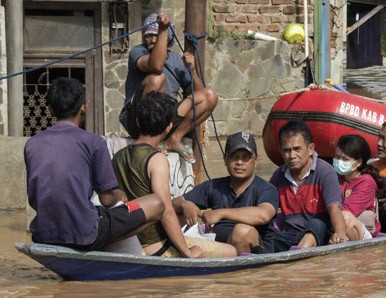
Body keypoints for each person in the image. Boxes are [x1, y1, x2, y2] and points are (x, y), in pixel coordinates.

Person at [25, 77, 163, 251]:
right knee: (157, 204)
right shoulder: (93, 142)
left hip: (43, 235)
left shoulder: (32, 144)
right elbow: (106, 200)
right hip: (85, 234)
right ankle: (101, 244)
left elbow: (34, 200)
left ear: (50, 109)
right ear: (84, 106)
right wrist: (119, 195)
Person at [113, 91, 235, 258]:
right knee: (232, 251)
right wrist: (187, 252)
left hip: (130, 240)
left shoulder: (119, 155)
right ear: (168, 127)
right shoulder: (156, 159)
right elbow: (165, 211)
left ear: (137, 121)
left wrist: (183, 205)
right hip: (155, 245)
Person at [119, 12, 218, 163]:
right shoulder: (138, 52)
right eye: (149, 35)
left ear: (168, 38)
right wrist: (163, 29)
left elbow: (197, 92)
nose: (152, 39)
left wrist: (192, 70)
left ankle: (174, 138)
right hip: (138, 119)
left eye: (156, 35)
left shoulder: (176, 60)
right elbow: (156, 66)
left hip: (166, 118)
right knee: (157, 79)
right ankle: (147, 139)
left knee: (210, 95)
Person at [177, 132, 279, 255]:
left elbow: (263, 215)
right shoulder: (213, 186)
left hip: (258, 251)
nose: (239, 162)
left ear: (255, 160)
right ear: (225, 159)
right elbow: (170, 205)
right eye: (234, 156)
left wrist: (221, 213)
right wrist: (185, 204)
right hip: (221, 248)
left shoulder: (267, 189)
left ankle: (242, 273)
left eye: (246, 157)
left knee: (242, 231)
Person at [269, 120, 348, 251]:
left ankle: (297, 256)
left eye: (297, 149)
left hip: (321, 235)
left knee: (316, 224)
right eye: (287, 150)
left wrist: (340, 234)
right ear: (281, 152)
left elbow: (334, 208)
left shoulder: (325, 171)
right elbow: (267, 209)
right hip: (291, 236)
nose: (292, 155)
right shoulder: (278, 176)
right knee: (266, 238)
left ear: (310, 149)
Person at [332, 134, 380, 241]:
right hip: (335, 225)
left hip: (364, 232)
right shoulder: (336, 177)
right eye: (337, 157)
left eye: (345, 159)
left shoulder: (366, 183)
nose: (339, 161)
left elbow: (347, 211)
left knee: (344, 216)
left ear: (358, 162)